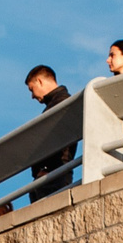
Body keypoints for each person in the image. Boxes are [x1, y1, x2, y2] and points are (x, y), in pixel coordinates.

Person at [24, 65, 76, 205]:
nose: (32, 96)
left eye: (32, 89)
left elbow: (57, 142)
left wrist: (45, 169)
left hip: (55, 176)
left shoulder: (61, 104)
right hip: (53, 175)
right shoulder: (57, 104)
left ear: (40, 81)